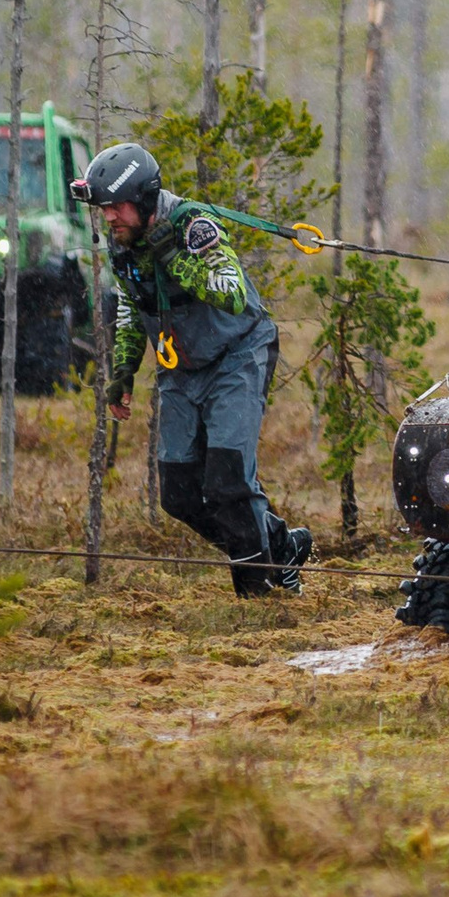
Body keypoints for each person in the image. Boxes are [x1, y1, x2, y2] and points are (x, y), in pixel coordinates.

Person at [72, 143, 310, 595]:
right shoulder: (123, 244)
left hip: (237, 355)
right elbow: (128, 304)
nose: (109, 218)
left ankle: (256, 596)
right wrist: (123, 371)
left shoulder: (194, 227)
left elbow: (232, 293)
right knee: (178, 496)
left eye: (117, 207)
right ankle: (278, 546)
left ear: (143, 199)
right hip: (179, 368)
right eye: (103, 209)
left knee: (228, 483)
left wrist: (174, 258)